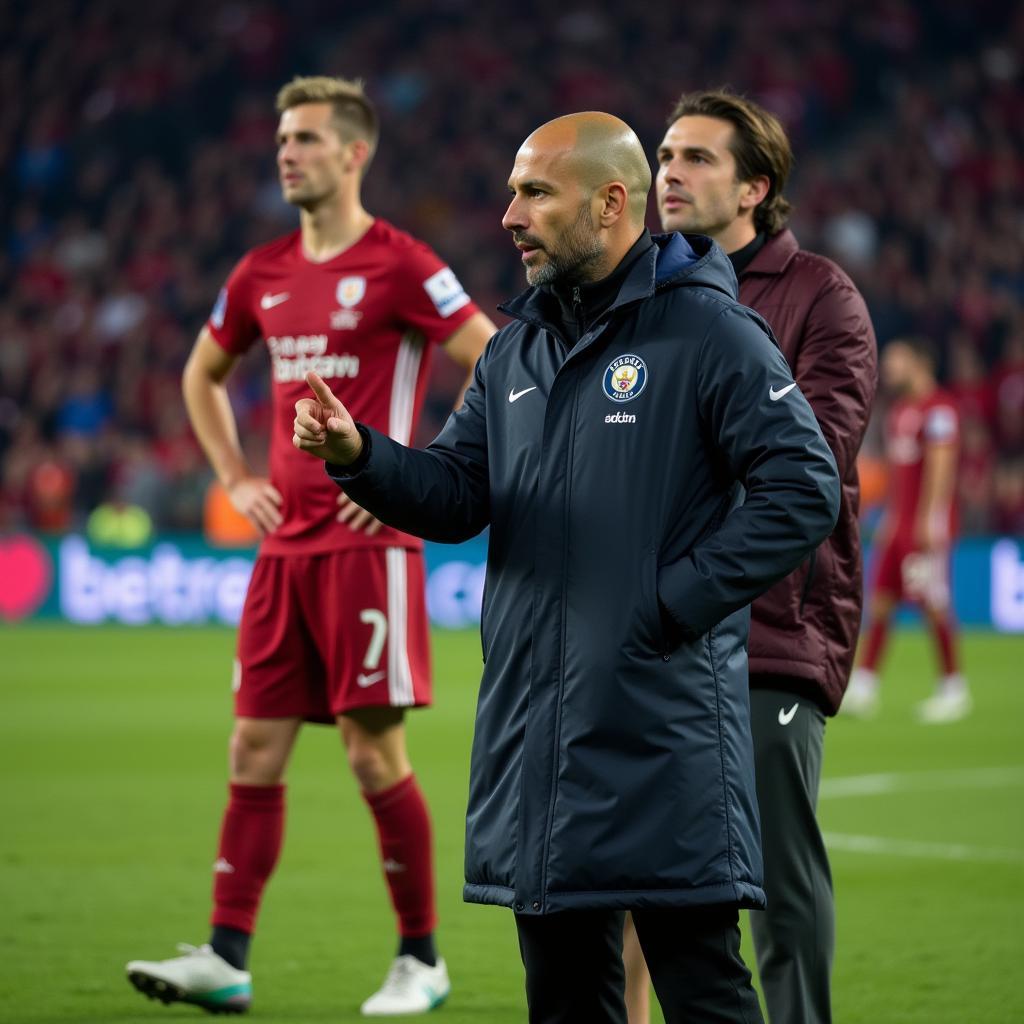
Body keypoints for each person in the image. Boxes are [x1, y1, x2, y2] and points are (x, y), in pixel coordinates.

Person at [293, 110, 841, 1024]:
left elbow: (804, 485)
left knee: (704, 992)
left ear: (611, 202)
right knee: (562, 1002)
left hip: (659, 734)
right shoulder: (519, 347)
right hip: (539, 732)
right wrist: (362, 455)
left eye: (535, 192)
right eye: (513, 190)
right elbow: (461, 491)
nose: (510, 214)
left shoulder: (709, 333)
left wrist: (669, 605)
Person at [125, 76, 495, 1016]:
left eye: (306, 139)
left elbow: (496, 362)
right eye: (282, 138)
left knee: (375, 757)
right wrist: (233, 476)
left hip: (369, 550)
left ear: (355, 153)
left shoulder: (405, 263)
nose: (286, 153)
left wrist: (415, 476)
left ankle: (422, 959)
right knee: (252, 747)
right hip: (284, 549)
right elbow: (203, 375)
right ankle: (225, 954)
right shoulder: (261, 273)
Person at [621, 89, 879, 1024]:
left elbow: (813, 462)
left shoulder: (821, 296)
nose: (670, 174)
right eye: (663, 156)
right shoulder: (641, 290)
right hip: (657, 625)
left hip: (772, 624)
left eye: (695, 158)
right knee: (633, 872)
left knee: (775, 882)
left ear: (754, 187)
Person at [845, 336, 969, 722]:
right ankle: (864, 685)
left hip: (924, 527)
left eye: (898, 361)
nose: (891, 368)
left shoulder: (940, 411)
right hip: (898, 526)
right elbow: (899, 477)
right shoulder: (900, 411)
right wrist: (888, 519)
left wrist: (930, 521)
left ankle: (953, 688)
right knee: (880, 602)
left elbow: (941, 468)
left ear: (919, 362)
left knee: (933, 603)